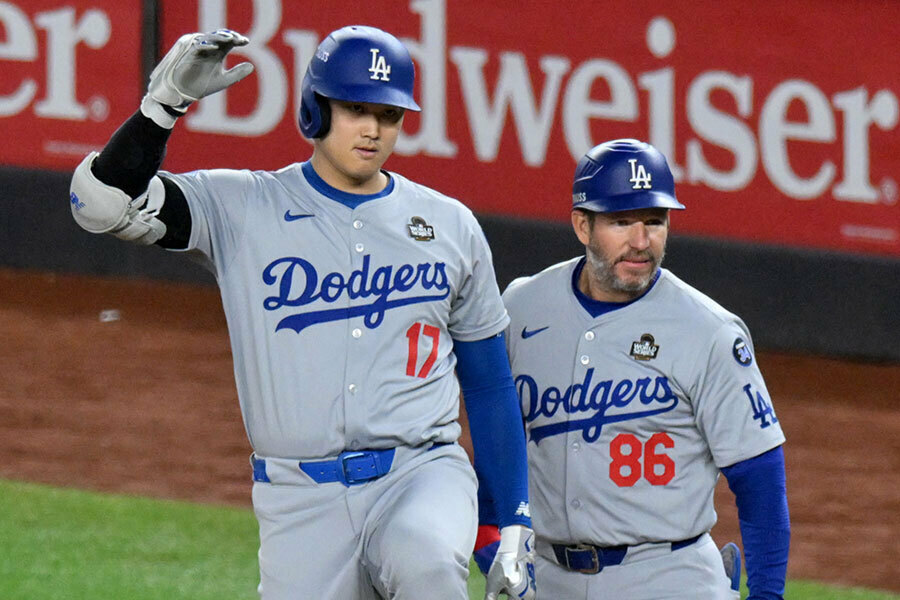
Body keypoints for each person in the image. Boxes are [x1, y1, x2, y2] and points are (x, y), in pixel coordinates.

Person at [68, 26, 536, 600]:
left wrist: (510, 523)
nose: (372, 129)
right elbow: (99, 205)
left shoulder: (450, 225)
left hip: (420, 473)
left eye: (388, 115)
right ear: (316, 109)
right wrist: (161, 108)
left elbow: (488, 384)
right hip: (297, 499)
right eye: (355, 109)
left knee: (427, 563)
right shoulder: (242, 207)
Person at [496, 139, 790, 599]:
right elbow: (500, 438)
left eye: (655, 222)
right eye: (621, 222)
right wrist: (490, 540)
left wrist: (768, 596)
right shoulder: (522, 307)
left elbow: (761, 479)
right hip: (547, 575)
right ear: (582, 225)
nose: (641, 241)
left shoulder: (708, 330)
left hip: (667, 576)